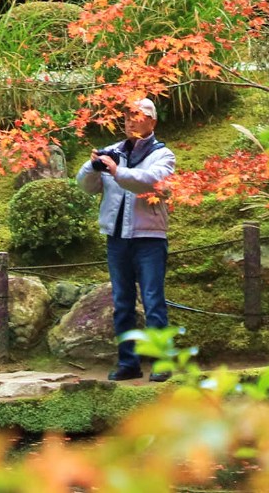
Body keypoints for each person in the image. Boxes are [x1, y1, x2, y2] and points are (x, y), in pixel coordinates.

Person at [77, 96, 176, 381]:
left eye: (137, 115)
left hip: (149, 237)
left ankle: (161, 362)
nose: (130, 119)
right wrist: (92, 166)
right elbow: (85, 187)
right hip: (116, 237)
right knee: (122, 301)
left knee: (153, 300)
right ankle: (127, 363)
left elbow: (151, 181)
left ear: (153, 121)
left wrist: (116, 170)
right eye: (127, 115)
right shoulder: (113, 151)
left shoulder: (163, 155)